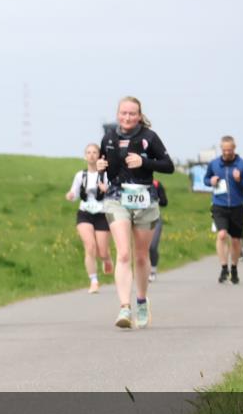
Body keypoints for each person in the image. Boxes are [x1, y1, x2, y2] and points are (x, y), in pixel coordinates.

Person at [96, 96, 174, 329]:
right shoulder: (109, 138)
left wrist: (144, 162)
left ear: (139, 116)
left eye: (132, 114)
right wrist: (101, 167)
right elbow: (104, 166)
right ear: (118, 114)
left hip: (144, 199)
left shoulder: (149, 138)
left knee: (141, 255)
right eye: (123, 113)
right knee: (123, 254)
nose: (127, 117)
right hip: (116, 198)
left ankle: (140, 300)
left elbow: (168, 165)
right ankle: (124, 307)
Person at [64, 143, 112, 294]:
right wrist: (70, 196)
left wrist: (107, 189)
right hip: (84, 213)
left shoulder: (106, 175)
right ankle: (94, 281)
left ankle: (106, 259)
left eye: (94, 152)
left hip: (102, 214)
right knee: (90, 246)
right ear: (85, 156)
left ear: (99, 156)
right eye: (88, 152)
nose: (91, 155)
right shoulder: (80, 175)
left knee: (102, 252)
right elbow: (74, 193)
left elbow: (114, 193)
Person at [204, 136, 243, 284]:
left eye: (229, 150)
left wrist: (239, 180)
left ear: (234, 148)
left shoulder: (242, 165)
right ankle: (224, 267)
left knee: (236, 240)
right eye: (224, 150)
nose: (226, 152)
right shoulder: (214, 164)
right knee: (222, 235)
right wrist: (210, 181)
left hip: (237, 206)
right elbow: (206, 179)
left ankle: (234, 269)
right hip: (219, 205)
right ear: (221, 148)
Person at [148, 179, 168, 281]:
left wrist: (155, 200)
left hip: (155, 218)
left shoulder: (156, 184)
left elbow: (165, 202)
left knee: (152, 246)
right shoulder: (133, 183)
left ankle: (153, 269)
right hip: (138, 218)